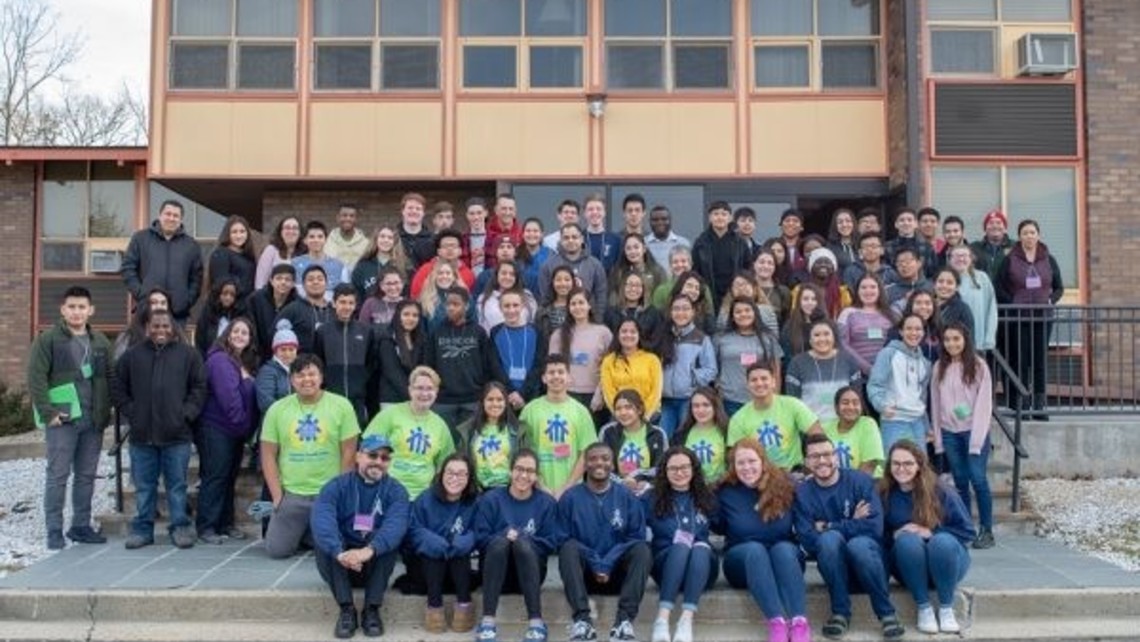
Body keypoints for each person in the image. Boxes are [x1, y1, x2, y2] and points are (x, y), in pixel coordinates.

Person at [112, 308, 207, 549]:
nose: (161, 330)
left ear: (173, 328)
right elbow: (117, 386)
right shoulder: (132, 356)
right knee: (144, 487)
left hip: (177, 435)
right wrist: (132, 412)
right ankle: (143, 530)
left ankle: (180, 527)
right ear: (147, 328)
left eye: (166, 326)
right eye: (156, 326)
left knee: (176, 485)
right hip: (142, 436)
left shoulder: (189, 355)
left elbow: (199, 388)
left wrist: (186, 414)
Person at [794, 433, 904, 641]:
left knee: (858, 544)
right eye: (815, 456)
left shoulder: (860, 481)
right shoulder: (803, 493)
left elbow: (874, 527)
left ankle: (887, 614)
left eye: (827, 454)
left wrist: (828, 525)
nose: (822, 461)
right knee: (828, 541)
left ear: (836, 456)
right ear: (806, 462)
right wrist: (852, 523)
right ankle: (840, 613)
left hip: (871, 566)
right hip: (834, 569)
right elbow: (807, 538)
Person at [28, 286, 115, 549]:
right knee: (58, 475)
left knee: (86, 476)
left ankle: (80, 526)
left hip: (93, 420)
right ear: (63, 310)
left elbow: (110, 378)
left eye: (81, 307)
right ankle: (54, 530)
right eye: (72, 307)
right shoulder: (48, 339)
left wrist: (108, 410)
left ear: (91, 310)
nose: (77, 312)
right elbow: (36, 378)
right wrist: (48, 413)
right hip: (62, 420)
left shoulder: (100, 341)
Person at [259, 354, 360, 559]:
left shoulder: (342, 406)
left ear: (321, 377)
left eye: (312, 374)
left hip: (328, 494)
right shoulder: (277, 410)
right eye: (300, 375)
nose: (307, 379)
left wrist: (341, 494)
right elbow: (268, 454)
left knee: (337, 547)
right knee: (276, 551)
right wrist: (278, 496)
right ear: (291, 380)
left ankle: (310, 532)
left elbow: (349, 453)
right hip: (293, 494)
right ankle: (307, 532)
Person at [310, 434, 409, 639]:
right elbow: (322, 520)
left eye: (385, 458)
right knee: (325, 540)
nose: (378, 462)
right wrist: (340, 553)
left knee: (387, 540)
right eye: (373, 455)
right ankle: (347, 609)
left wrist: (368, 551)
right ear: (358, 457)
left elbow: (396, 525)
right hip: (340, 566)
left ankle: (371, 609)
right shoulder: (335, 486)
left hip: (372, 566)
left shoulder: (397, 490)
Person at [714, 438, 811, 642]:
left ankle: (799, 623)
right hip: (742, 561)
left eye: (752, 461)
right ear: (733, 466)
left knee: (784, 549)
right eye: (740, 463)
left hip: (783, 563)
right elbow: (715, 524)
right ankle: (776, 623)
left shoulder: (785, 485)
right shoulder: (725, 491)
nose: (747, 467)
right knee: (755, 550)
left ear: (763, 461)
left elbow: (806, 517)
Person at [559, 442, 652, 642]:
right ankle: (582, 622)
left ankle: (623, 622)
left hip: (618, 575)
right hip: (584, 577)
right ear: (585, 464)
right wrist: (596, 562)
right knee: (568, 548)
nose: (599, 463)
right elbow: (562, 538)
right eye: (593, 459)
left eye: (605, 458)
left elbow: (636, 537)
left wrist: (608, 562)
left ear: (613, 464)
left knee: (642, 549)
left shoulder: (626, 496)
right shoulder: (570, 498)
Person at [880, 441, 974, 634]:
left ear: (919, 464)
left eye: (908, 463)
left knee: (941, 541)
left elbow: (967, 532)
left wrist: (930, 532)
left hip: (947, 563)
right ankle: (924, 608)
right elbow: (877, 535)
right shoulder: (884, 493)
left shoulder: (941, 491)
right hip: (910, 567)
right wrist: (894, 534)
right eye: (896, 463)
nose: (901, 469)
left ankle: (946, 608)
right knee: (907, 540)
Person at [473, 448, 561, 642]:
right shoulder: (491, 500)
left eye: (530, 471)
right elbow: (479, 539)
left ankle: (536, 623)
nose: (524, 475)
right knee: (500, 543)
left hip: (530, 576)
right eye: (519, 469)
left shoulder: (546, 503)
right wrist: (504, 535)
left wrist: (522, 539)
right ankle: (487, 622)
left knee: (521, 544)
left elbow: (551, 541)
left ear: (536, 475)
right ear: (510, 471)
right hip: (496, 575)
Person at [930, 322, 996, 550]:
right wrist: (939, 438)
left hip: (973, 432)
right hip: (950, 433)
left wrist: (977, 440)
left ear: (965, 340)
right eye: (947, 340)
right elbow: (936, 404)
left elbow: (984, 405)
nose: (952, 344)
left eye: (956, 339)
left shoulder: (978, 366)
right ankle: (965, 527)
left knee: (978, 479)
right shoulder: (939, 367)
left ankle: (986, 530)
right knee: (959, 481)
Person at [643, 446, 717, 642]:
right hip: (666, 565)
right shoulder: (651, 498)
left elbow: (726, 525)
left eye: (685, 467)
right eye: (673, 468)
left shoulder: (707, 497)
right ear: (664, 472)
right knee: (682, 545)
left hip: (701, 568)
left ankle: (685, 620)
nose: (679, 473)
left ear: (694, 468)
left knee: (700, 547)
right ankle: (662, 619)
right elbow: (631, 527)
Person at [196, 317, 258, 544]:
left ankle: (225, 523)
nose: (240, 336)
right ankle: (207, 526)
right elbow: (229, 398)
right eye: (236, 331)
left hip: (235, 431)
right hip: (217, 428)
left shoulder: (242, 362)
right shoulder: (221, 361)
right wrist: (243, 426)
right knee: (215, 477)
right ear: (227, 334)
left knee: (229, 478)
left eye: (245, 333)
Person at [995, 219, 1064, 418]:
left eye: (1032, 232)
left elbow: (1059, 287)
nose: (1029, 236)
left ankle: (1040, 406)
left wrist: (1051, 300)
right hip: (1019, 319)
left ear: (1038, 235)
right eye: (1025, 233)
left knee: (1039, 361)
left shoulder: (1049, 259)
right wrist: (1013, 303)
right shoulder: (1010, 259)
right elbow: (999, 286)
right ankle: (1023, 406)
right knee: (1021, 361)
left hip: (1042, 318)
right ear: (1020, 236)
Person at [408, 454, 480, 634]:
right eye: (450, 472)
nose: (455, 478)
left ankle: (464, 605)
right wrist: (432, 541)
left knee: (459, 549)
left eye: (462, 474)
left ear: (469, 477)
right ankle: (434, 608)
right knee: (434, 549)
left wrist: (465, 541)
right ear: (441, 474)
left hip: (461, 571)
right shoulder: (425, 499)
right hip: (428, 572)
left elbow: (482, 530)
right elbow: (413, 530)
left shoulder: (476, 501)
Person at [364, 366, 455, 501]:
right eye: (419, 388)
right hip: (387, 493)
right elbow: (366, 450)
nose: (424, 393)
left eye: (430, 388)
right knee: (367, 521)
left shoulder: (440, 425)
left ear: (436, 392)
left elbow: (445, 463)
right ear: (410, 390)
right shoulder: (390, 414)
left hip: (423, 497)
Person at [519, 354, 596, 498]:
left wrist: (568, 487)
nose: (556, 376)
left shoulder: (581, 411)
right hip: (536, 489)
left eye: (561, 372)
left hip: (572, 492)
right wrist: (539, 484)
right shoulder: (529, 410)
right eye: (551, 372)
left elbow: (586, 452)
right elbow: (523, 451)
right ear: (544, 378)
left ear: (569, 377)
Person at [425, 287, 498, 431]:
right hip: (443, 400)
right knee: (445, 444)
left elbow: (488, 364)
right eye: (448, 304)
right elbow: (429, 364)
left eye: (456, 304)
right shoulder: (437, 332)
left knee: (469, 445)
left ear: (466, 306)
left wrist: (482, 390)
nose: (451, 308)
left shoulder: (479, 332)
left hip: (473, 398)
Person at [727, 361, 822, 470]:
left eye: (764, 378)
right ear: (747, 385)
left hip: (794, 473)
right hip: (759, 475)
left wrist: (812, 463)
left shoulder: (792, 405)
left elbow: (817, 433)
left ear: (773, 382)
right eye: (754, 380)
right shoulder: (738, 418)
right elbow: (734, 455)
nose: (759, 383)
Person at [122, 199, 204, 324]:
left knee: (176, 344)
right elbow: (128, 268)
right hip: (147, 310)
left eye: (176, 216)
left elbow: (196, 278)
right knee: (146, 343)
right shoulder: (140, 238)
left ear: (181, 220)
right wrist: (141, 293)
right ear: (160, 215)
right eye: (168, 214)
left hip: (178, 313)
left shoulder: (191, 245)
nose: (171, 218)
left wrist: (187, 300)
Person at [869, 314, 933, 454]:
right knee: (894, 464)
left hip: (917, 421)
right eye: (909, 329)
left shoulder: (925, 363)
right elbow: (875, 384)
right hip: (894, 420)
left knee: (919, 466)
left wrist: (927, 427)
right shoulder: (888, 354)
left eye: (918, 329)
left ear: (923, 332)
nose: (913, 333)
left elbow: (921, 398)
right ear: (901, 331)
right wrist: (882, 405)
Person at [314, 284, 377, 425]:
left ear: (355, 305)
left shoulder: (366, 331)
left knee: (356, 436)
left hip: (358, 398)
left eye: (350, 303)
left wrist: (362, 380)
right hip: (331, 396)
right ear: (334, 304)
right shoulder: (323, 331)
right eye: (342, 302)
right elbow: (318, 361)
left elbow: (371, 362)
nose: (346, 307)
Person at [549, 288, 612, 424]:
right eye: (573, 304)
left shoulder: (603, 332)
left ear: (589, 305)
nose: (577, 307)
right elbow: (551, 369)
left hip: (594, 396)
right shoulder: (558, 335)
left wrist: (600, 393)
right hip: (567, 394)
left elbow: (610, 367)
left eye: (581, 303)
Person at [659, 293, 718, 438]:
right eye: (676, 309)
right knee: (663, 436)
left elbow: (711, 370)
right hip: (665, 399)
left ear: (693, 312)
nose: (680, 313)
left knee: (685, 437)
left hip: (689, 398)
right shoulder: (663, 336)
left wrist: (692, 377)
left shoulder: (701, 338)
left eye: (685, 309)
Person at [784, 318, 864, 423]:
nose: (822, 339)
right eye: (817, 335)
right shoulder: (797, 363)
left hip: (844, 426)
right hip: (810, 428)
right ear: (810, 340)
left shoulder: (848, 360)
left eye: (826, 334)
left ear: (834, 337)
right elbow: (793, 400)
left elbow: (856, 396)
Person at [716, 297, 783, 416]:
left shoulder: (768, 338)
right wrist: (718, 388)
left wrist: (775, 396)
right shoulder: (721, 339)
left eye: (747, 310)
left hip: (761, 397)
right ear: (732, 316)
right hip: (730, 400)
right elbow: (715, 367)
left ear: (755, 313)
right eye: (738, 312)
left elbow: (776, 369)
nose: (743, 314)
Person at [598, 390, 668, 495]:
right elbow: (601, 465)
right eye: (618, 409)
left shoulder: (657, 433)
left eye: (628, 407)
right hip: (615, 492)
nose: (623, 412)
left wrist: (639, 479)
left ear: (639, 410)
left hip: (647, 492)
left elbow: (662, 467)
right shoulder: (607, 432)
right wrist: (623, 482)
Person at [488, 290, 544, 409]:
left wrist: (522, 393)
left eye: (515, 305)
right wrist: (511, 391)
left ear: (522, 306)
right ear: (500, 308)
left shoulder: (536, 331)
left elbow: (539, 364)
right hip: (504, 394)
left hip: (531, 393)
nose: (511, 310)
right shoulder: (495, 332)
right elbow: (495, 365)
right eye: (506, 306)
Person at [462, 382, 524, 489]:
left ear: (506, 403)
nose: (495, 404)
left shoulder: (519, 430)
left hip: (507, 490)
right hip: (478, 491)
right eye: (490, 399)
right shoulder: (469, 430)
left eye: (500, 399)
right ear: (483, 402)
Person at [538, 223, 609, 315]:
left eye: (574, 237)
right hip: (557, 320)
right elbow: (545, 297)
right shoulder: (548, 265)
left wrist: (598, 320)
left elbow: (601, 296)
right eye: (566, 238)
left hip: (587, 320)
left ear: (582, 239)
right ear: (561, 240)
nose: (570, 241)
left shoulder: (595, 265)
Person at [692, 201, 752, 308]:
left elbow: (747, 268)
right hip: (709, 294)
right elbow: (696, 270)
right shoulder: (701, 242)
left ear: (730, 218)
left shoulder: (739, 242)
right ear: (710, 217)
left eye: (724, 214)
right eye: (716, 214)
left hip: (733, 293)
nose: (720, 217)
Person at [600, 319, 663, 420]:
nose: (628, 335)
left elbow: (656, 392)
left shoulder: (652, 359)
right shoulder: (609, 361)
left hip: (649, 416)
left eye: (633, 332)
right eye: (624, 331)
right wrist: (621, 413)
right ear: (618, 335)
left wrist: (643, 415)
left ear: (639, 335)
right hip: (620, 416)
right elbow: (608, 393)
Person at [837, 275, 896, 376]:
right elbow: (842, 344)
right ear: (857, 291)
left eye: (873, 287)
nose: (868, 291)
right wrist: (868, 369)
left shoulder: (891, 314)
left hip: (888, 374)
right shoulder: (847, 313)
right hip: (856, 374)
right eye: (863, 287)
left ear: (880, 290)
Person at [822, 387, 885, 478]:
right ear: (836, 407)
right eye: (845, 403)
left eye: (856, 403)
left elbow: (870, 465)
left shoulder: (868, 424)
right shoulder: (825, 428)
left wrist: (850, 489)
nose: (851, 407)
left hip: (867, 483)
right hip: (834, 484)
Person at [672, 387, 729, 484]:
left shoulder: (726, 431)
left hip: (720, 487)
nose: (700, 410)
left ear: (715, 407)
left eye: (706, 405)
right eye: (696, 406)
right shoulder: (681, 435)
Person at [376, 300, 426, 409]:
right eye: (406, 314)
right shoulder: (387, 338)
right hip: (392, 400)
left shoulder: (421, 339)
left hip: (415, 398)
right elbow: (391, 372)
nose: (411, 319)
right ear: (398, 316)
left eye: (415, 315)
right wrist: (412, 395)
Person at [947, 245, 998, 352]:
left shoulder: (982, 278)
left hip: (977, 341)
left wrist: (989, 338)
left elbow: (991, 309)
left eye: (964, 255)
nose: (961, 259)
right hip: (950, 343)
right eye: (956, 256)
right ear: (950, 259)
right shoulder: (944, 279)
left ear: (971, 258)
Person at [274, 265, 333, 354]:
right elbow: (274, 335)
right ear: (303, 285)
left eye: (320, 279)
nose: (315, 282)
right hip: (301, 364)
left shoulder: (334, 310)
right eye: (310, 279)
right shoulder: (292, 309)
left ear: (326, 283)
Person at [247, 263, 297, 362]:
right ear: (271, 281)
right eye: (278, 278)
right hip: (258, 353)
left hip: (286, 355)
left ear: (293, 283)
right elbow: (250, 325)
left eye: (287, 279)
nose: (283, 282)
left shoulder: (297, 304)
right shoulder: (256, 299)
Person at [350, 226, 413, 303]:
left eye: (390, 238)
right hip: (369, 312)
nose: (386, 240)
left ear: (395, 241)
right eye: (382, 236)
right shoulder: (362, 266)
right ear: (376, 239)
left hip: (397, 311)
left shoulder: (405, 266)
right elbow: (356, 294)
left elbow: (409, 294)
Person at [410, 229, 477, 298]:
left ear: (460, 251)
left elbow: (471, 301)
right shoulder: (426, 270)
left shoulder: (469, 275)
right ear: (439, 251)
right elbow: (414, 296)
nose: (449, 249)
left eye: (453, 246)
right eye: (445, 246)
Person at [603, 272, 665, 347]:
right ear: (623, 287)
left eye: (637, 285)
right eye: (629, 285)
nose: (633, 289)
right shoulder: (611, 313)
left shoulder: (653, 313)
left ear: (644, 289)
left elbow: (656, 341)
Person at [113, 287, 175, 361]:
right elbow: (120, 362)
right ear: (145, 306)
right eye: (154, 303)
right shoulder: (130, 333)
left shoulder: (176, 332)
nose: (159, 306)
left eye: (163, 303)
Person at [608, 233, 668, 309]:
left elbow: (662, 296)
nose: (632, 251)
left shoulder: (657, 271)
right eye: (628, 248)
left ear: (644, 249)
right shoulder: (619, 272)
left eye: (636, 247)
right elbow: (613, 297)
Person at [477, 261, 538, 333]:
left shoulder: (527, 297)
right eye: (503, 273)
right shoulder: (484, 298)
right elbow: (481, 324)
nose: (507, 277)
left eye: (512, 274)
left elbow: (532, 322)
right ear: (497, 275)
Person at [292, 221, 348, 299]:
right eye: (311, 237)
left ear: (326, 239)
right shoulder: (294, 264)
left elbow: (344, 293)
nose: (316, 240)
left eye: (320, 237)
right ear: (305, 240)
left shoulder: (339, 266)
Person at [194, 276, 246, 359]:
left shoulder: (241, 316)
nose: (228, 298)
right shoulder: (207, 315)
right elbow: (200, 343)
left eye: (232, 295)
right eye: (225, 294)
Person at [207, 215, 257, 298]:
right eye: (234, 232)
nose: (239, 236)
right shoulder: (221, 254)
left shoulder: (248, 256)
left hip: (248, 306)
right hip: (230, 306)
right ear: (227, 234)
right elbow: (220, 285)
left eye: (242, 231)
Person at [794, 248, 852, 319]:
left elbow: (847, 317)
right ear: (811, 267)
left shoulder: (842, 292)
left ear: (833, 268)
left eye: (827, 262)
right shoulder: (799, 290)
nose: (823, 265)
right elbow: (795, 314)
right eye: (819, 262)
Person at [780, 282, 827, 364]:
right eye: (805, 299)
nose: (810, 303)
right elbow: (786, 356)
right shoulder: (790, 326)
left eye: (814, 299)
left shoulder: (827, 324)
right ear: (799, 302)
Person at [885, 208, 937, 280]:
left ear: (916, 224)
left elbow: (933, 273)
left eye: (909, 220)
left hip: (922, 288)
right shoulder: (887, 247)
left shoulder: (927, 247)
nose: (906, 223)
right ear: (896, 224)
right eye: (902, 220)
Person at [256, 216, 305, 289]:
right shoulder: (271, 251)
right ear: (280, 232)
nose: (291, 231)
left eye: (295, 228)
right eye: (287, 228)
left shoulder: (304, 253)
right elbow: (260, 282)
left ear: (300, 233)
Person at [969, 209, 1014, 282]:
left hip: (1006, 292)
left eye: (999, 223)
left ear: (1005, 228)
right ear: (985, 229)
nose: (995, 226)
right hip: (982, 291)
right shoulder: (974, 248)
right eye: (991, 223)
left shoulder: (1015, 247)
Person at [582, 193, 622, 272]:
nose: (595, 212)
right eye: (590, 209)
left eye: (598, 209)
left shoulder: (616, 239)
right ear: (585, 213)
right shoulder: (578, 238)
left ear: (604, 212)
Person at [885, 247, 931, 313]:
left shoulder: (931, 287)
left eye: (908, 262)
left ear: (919, 263)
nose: (904, 265)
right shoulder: (888, 291)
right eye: (900, 263)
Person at [324, 204, 370, 270]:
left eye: (352, 216)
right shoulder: (327, 242)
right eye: (344, 215)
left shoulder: (366, 244)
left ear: (356, 219)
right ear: (338, 218)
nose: (348, 218)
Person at [753, 248, 792, 324]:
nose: (765, 266)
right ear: (754, 264)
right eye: (761, 262)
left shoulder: (783, 291)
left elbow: (786, 321)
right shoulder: (745, 288)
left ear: (775, 267)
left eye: (770, 263)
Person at [932, 267, 976, 334]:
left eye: (949, 283)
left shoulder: (963, 310)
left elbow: (969, 340)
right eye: (940, 281)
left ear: (957, 287)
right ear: (934, 285)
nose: (944, 286)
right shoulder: (926, 306)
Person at [397, 192, 435, 268]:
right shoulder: (393, 237)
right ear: (403, 211)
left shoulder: (433, 240)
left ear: (423, 213)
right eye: (410, 208)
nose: (414, 211)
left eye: (418, 209)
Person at [645, 205, 690, 269]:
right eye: (655, 220)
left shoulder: (683, 243)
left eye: (664, 219)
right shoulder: (643, 244)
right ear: (649, 222)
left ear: (670, 220)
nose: (660, 222)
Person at [486, 193, 524, 267]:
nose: (507, 212)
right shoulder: (486, 232)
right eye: (504, 208)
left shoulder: (523, 233)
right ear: (496, 210)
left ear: (515, 211)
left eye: (511, 209)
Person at [518, 218, 553, 294]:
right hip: (521, 301)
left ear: (542, 234)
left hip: (545, 301)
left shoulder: (551, 255)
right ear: (523, 234)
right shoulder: (516, 255)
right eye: (528, 231)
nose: (531, 234)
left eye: (535, 231)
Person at [462, 197, 490, 277]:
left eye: (479, 213)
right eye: (472, 214)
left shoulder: (495, 238)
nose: (476, 217)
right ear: (467, 215)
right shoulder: (461, 240)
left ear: (486, 213)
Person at [828, 207, 859, 275]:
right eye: (840, 222)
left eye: (848, 221)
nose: (844, 225)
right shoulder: (830, 248)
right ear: (835, 226)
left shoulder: (861, 244)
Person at [778, 209, 806, 274]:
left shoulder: (806, 246)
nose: (791, 223)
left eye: (795, 221)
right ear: (781, 226)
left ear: (802, 227)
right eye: (787, 220)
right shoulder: (773, 245)